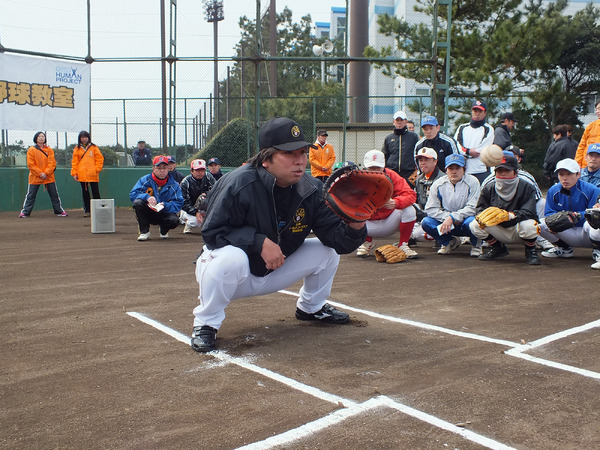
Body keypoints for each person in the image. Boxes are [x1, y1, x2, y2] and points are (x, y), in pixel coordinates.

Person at [190, 117, 366, 353]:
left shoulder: (311, 189)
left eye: (303, 152)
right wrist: (258, 241)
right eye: (289, 153)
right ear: (266, 159)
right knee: (229, 259)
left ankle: (310, 307)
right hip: (235, 275)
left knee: (326, 251)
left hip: (276, 268)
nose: (300, 160)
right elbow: (212, 233)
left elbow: (338, 240)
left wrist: (357, 223)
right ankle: (206, 323)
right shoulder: (238, 182)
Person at [469, 152, 541, 265]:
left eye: (507, 170)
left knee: (530, 225)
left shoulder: (526, 186)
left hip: (518, 228)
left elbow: (530, 212)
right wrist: (486, 214)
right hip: (498, 229)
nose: (502, 173)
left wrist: (510, 215)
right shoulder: (489, 187)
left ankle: (530, 250)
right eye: (499, 170)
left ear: (516, 172)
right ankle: (497, 248)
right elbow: (480, 208)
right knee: (475, 224)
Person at [482, 144, 554, 251]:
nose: (503, 173)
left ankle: (539, 237)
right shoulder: (489, 181)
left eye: (514, 156)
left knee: (541, 203)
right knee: (478, 222)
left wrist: (513, 214)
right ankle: (494, 244)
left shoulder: (526, 178)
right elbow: (481, 205)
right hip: (498, 221)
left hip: (521, 217)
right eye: (500, 170)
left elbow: (535, 201)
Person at [538, 158, 600, 269]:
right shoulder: (553, 190)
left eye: (569, 174)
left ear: (578, 175)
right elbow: (549, 213)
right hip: (567, 232)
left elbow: (594, 214)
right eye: (561, 174)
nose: (565, 178)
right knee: (540, 225)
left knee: (596, 224)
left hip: (586, 232)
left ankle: (598, 250)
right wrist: (555, 222)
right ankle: (564, 249)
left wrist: (576, 216)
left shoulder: (592, 190)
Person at [355, 150, 418, 258]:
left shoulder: (391, 175)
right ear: (365, 167)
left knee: (409, 209)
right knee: (347, 211)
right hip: (367, 225)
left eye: (378, 168)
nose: (375, 171)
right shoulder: (358, 179)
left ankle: (403, 245)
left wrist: (396, 202)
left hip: (389, 221)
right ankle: (366, 242)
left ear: (383, 167)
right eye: (372, 168)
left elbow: (411, 194)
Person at [422, 154, 482, 256]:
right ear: (446, 170)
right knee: (426, 222)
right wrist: (447, 218)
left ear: (464, 169)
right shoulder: (438, 184)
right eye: (451, 168)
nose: (454, 171)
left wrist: (453, 217)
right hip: (447, 222)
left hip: (466, 219)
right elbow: (430, 209)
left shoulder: (473, 182)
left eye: (458, 168)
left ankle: (476, 246)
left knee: (473, 222)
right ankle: (448, 242)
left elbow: (473, 207)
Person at [129, 155, 184, 241]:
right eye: (159, 168)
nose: (162, 171)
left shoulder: (174, 184)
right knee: (138, 203)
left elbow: (178, 203)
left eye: (164, 168)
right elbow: (133, 194)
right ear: (153, 168)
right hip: (149, 212)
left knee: (174, 221)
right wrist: (146, 197)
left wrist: (165, 205)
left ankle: (163, 230)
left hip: (164, 212)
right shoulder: (144, 180)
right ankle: (144, 231)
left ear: (168, 169)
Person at [19, 131, 68, 218]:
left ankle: (59, 211)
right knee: (31, 195)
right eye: (39, 136)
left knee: (54, 194)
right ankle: (25, 212)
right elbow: (31, 164)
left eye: (43, 136)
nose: (41, 138)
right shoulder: (31, 150)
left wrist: (46, 173)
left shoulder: (49, 150)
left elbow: (52, 163)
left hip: (49, 177)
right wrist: (40, 173)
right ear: (36, 139)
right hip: (35, 177)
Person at [454, 100, 495, 184]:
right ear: (472, 111)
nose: (477, 113)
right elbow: (456, 144)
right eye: (475, 111)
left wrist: (468, 152)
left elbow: (483, 149)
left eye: (480, 111)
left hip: (481, 169)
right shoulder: (462, 127)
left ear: (485, 113)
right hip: (464, 169)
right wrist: (468, 151)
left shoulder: (489, 129)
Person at [412, 147, 445, 243]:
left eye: (426, 160)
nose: (422, 163)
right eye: (420, 160)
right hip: (425, 216)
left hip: (440, 217)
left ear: (435, 162)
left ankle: (446, 238)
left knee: (419, 234)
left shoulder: (442, 179)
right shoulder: (419, 179)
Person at [71, 130, 104, 217]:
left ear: (88, 138)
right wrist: (74, 173)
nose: (84, 139)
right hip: (82, 174)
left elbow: (99, 159)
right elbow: (74, 162)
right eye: (82, 137)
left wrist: (96, 169)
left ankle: (99, 210)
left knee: (95, 192)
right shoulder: (77, 148)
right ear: (80, 139)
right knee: (85, 193)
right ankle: (87, 211)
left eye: (85, 137)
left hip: (93, 174)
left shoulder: (94, 147)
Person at [382, 110, 419, 185]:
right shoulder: (388, 138)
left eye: (401, 120)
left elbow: (418, 155)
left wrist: (416, 171)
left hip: (409, 174)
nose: (399, 122)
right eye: (397, 120)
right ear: (393, 122)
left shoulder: (413, 137)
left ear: (405, 122)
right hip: (392, 173)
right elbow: (384, 156)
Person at [180, 159, 216, 234]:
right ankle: (185, 220)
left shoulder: (209, 177)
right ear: (192, 171)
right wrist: (195, 212)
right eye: (197, 170)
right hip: (189, 208)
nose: (200, 173)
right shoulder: (185, 182)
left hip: (204, 207)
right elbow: (183, 203)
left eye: (202, 170)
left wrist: (206, 194)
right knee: (195, 222)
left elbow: (216, 192)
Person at [575, 100, 600, 169]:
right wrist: (577, 165)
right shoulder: (591, 126)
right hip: (586, 168)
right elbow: (581, 147)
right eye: (596, 109)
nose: (597, 111)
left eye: (599, 109)